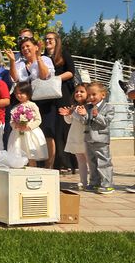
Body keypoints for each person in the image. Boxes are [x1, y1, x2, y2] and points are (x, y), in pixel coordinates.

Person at [6, 36, 56, 168]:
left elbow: (45, 75)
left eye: (28, 46)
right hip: (26, 100)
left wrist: (38, 57)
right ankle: (29, 164)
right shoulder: (20, 64)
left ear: (36, 47)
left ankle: (48, 166)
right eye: (22, 47)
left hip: (44, 100)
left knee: (47, 133)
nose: (25, 49)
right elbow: (15, 79)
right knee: (27, 134)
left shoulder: (45, 59)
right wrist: (12, 61)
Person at [44, 31, 76, 173]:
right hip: (48, 95)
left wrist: (56, 79)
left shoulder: (64, 54)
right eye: (46, 39)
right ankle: (56, 162)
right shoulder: (43, 57)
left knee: (64, 127)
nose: (47, 41)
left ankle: (67, 162)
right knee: (53, 128)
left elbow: (71, 72)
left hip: (62, 92)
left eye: (50, 39)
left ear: (57, 41)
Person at [77, 82, 114, 194]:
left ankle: (107, 184)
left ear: (103, 95)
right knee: (92, 163)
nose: (91, 97)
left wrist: (96, 115)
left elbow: (106, 122)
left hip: (101, 140)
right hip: (88, 139)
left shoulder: (109, 107)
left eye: (94, 94)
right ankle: (94, 183)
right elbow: (85, 122)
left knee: (104, 162)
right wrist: (83, 115)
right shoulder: (87, 107)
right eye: (89, 95)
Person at [7, 82, 48, 166]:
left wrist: (29, 126)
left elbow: (38, 120)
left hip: (30, 133)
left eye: (21, 93)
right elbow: (11, 121)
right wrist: (15, 125)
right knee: (19, 153)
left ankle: (33, 172)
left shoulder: (32, 105)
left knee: (31, 154)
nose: (19, 95)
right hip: (18, 133)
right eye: (17, 93)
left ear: (28, 93)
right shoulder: (15, 107)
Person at [60, 84, 90, 190]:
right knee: (80, 161)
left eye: (82, 91)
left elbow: (84, 121)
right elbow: (69, 121)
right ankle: (83, 181)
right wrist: (67, 114)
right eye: (77, 91)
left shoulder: (88, 107)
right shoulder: (74, 107)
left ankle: (94, 180)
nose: (78, 93)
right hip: (75, 136)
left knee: (89, 160)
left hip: (85, 137)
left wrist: (73, 113)